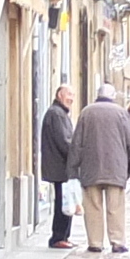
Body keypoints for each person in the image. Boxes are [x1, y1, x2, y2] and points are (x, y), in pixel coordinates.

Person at [69, 83, 130, 253]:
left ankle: (95, 242)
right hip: (116, 168)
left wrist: (72, 168)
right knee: (115, 207)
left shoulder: (86, 112)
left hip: (90, 167)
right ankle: (117, 241)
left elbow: (77, 143)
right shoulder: (121, 113)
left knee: (93, 207)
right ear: (113, 96)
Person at [36, 82, 78, 248]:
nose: (72, 99)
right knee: (63, 202)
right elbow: (64, 141)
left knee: (66, 201)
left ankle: (64, 236)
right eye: (69, 95)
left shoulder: (60, 113)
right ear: (60, 95)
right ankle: (58, 237)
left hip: (61, 165)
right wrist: (77, 155)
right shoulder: (57, 114)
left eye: (73, 96)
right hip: (60, 166)